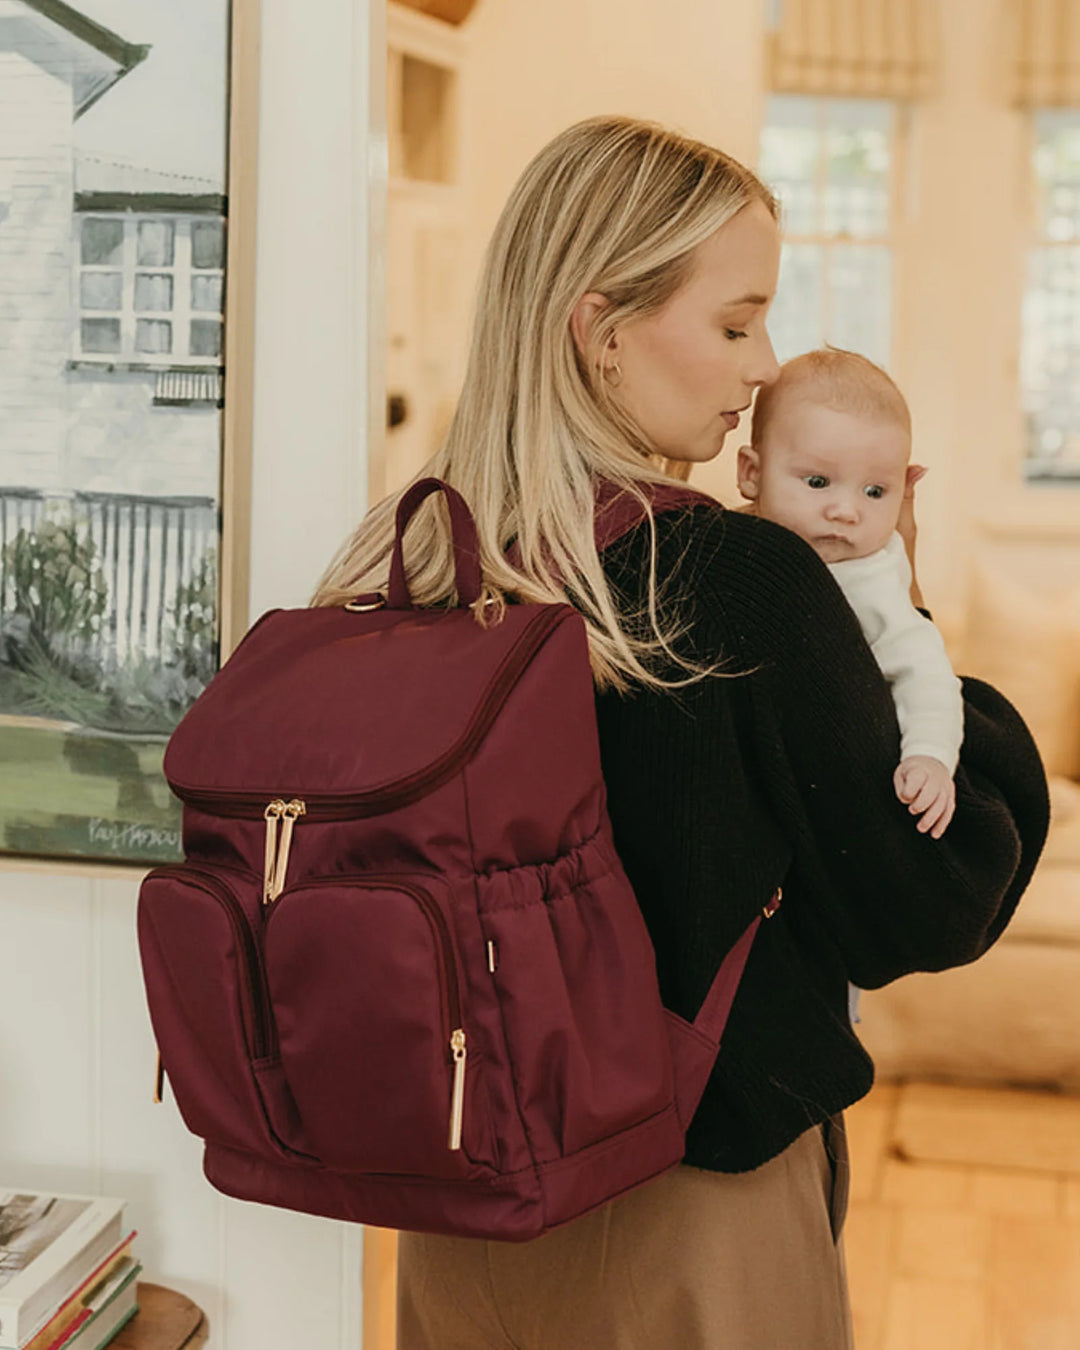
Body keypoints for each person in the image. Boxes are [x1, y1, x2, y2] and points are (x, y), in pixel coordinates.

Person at [312, 116, 1049, 1349]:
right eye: (734, 321)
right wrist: (910, 624)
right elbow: (924, 900)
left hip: (460, 1215)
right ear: (603, 334)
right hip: (696, 1214)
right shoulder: (735, 578)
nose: (765, 364)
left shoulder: (416, 551)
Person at [736, 347, 967, 1032]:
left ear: (905, 491)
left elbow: (925, 670)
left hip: (843, 813)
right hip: (761, 828)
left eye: (875, 492)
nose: (845, 512)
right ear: (751, 474)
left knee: (820, 971)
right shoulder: (737, 547)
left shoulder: (872, 578)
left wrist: (930, 757)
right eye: (816, 482)